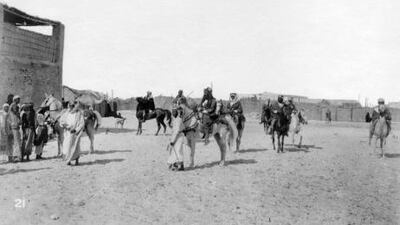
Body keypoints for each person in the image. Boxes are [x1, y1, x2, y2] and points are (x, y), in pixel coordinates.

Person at [168, 97, 198, 171]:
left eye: (174, 111)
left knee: (178, 150)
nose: (173, 112)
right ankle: (176, 164)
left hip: (180, 134)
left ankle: (182, 165)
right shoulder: (178, 118)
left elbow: (177, 129)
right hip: (180, 133)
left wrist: (172, 140)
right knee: (177, 150)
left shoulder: (181, 115)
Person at [60, 101, 85, 166]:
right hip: (68, 133)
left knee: (76, 147)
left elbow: (82, 123)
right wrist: (64, 125)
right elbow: (61, 121)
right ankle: (68, 161)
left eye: (71, 107)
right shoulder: (66, 113)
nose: (69, 108)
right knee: (67, 146)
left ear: (73, 107)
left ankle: (77, 160)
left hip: (75, 134)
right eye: (68, 106)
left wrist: (76, 130)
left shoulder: (79, 114)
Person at [9, 96, 22, 161]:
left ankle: (17, 156)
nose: (19, 100)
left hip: (15, 125)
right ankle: (15, 156)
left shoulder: (14, 105)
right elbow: (16, 113)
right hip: (14, 125)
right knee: (16, 141)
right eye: (18, 99)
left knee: (17, 141)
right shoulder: (14, 105)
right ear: (15, 100)